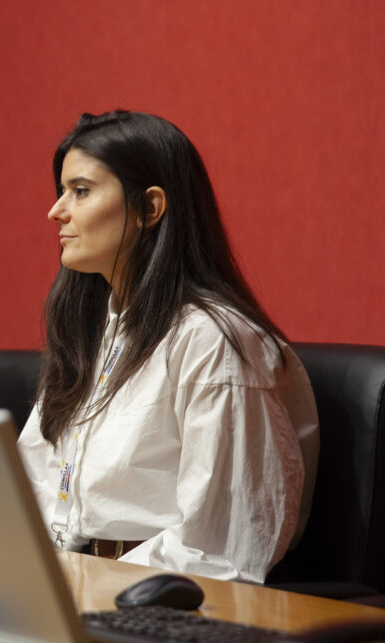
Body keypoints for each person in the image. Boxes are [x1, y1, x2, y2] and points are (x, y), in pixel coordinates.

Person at [17, 110, 319, 583]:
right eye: (62, 192)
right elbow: (32, 487)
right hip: (68, 585)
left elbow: (220, 548)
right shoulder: (91, 332)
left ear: (150, 208)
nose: (56, 211)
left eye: (80, 191)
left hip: (160, 602)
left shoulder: (214, 342)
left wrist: (78, 587)